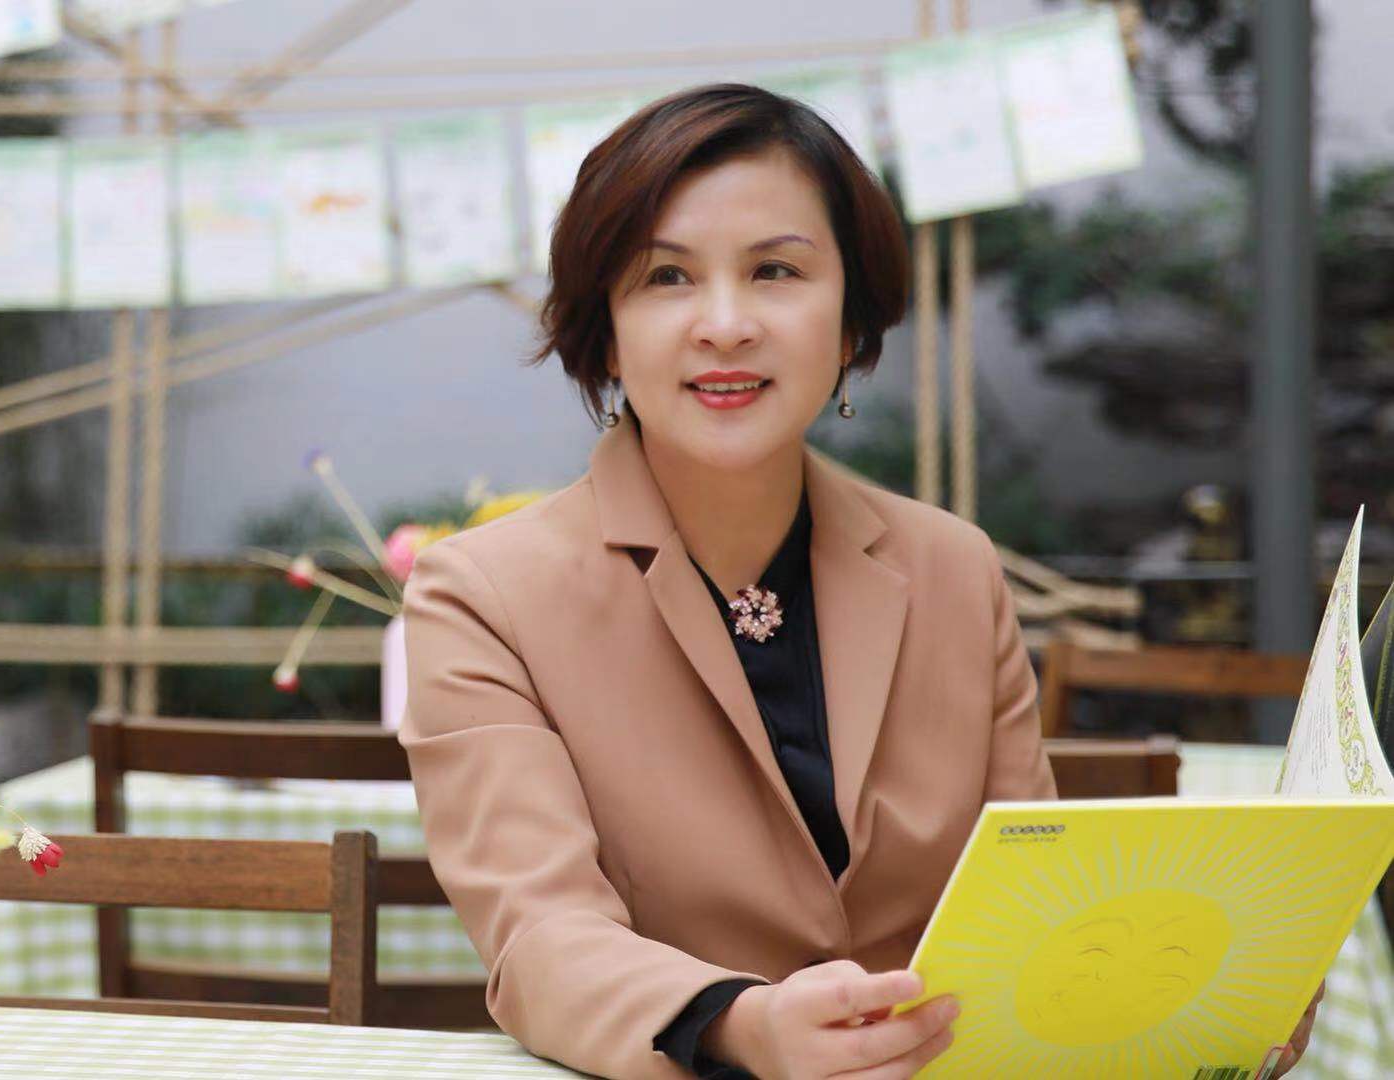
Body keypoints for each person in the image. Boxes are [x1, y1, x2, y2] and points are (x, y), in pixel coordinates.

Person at [397, 84, 1321, 1079]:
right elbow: (539, 939)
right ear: (606, 329)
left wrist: (1200, 1001)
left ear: (849, 323)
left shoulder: (952, 569)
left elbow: (1034, 911)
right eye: (666, 276)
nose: (724, 324)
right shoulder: (482, 595)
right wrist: (745, 1028)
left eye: (776, 270)